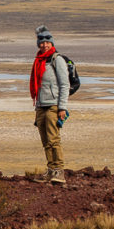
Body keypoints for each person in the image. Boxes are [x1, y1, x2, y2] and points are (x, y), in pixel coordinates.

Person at [30, 25, 69, 184]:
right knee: (45, 141)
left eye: (47, 42)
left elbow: (64, 85)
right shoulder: (39, 60)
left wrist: (62, 107)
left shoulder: (57, 59)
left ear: (51, 43)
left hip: (53, 106)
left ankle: (59, 172)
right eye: (41, 42)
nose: (44, 45)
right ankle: (51, 171)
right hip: (41, 106)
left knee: (54, 140)